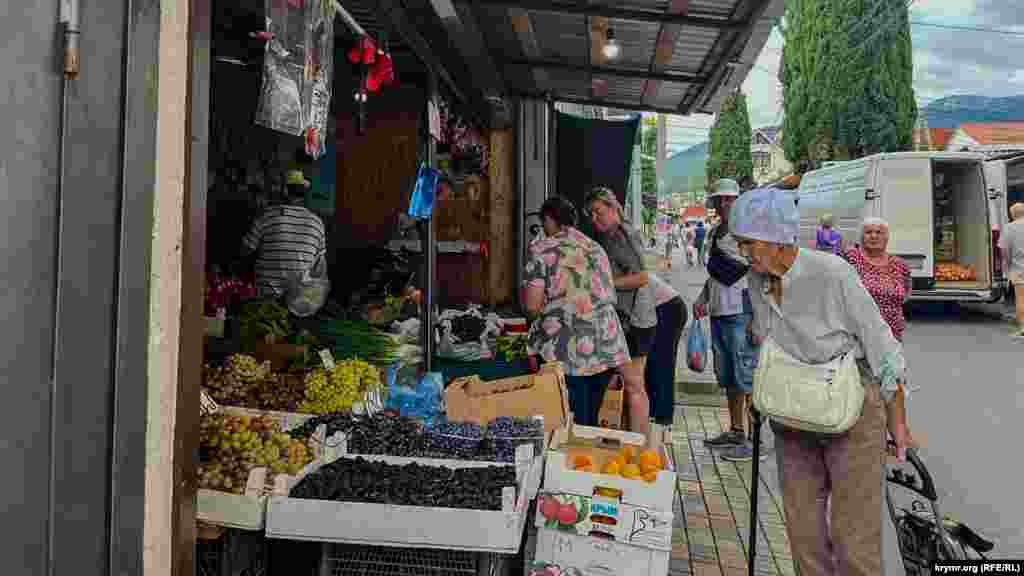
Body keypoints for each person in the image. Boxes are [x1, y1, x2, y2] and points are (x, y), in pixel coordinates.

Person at [730, 186, 914, 576]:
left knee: (854, 538)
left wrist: (897, 419)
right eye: (740, 244)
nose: (744, 253)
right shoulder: (756, 281)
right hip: (792, 412)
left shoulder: (831, 273)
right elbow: (768, 342)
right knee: (803, 535)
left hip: (851, 411)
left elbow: (883, 348)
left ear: (779, 239)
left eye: (749, 243)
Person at [521, 196, 632, 426]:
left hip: (568, 348)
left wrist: (536, 320)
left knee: (567, 419)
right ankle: (586, 457)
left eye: (544, 224)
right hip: (606, 344)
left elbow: (532, 305)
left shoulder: (543, 249)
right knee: (588, 418)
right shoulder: (594, 247)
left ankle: (570, 458)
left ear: (549, 220)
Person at [695, 178, 762, 461]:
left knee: (746, 377)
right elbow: (715, 277)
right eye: (720, 199)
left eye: (730, 199)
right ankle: (736, 431)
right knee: (729, 378)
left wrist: (758, 319)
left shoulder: (749, 232)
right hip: (720, 311)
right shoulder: (714, 232)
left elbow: (761, 274)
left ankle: (752, 441)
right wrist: (702, 297)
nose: (725, 203)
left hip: (742, 312)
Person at [586, 186, 653, 439]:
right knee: (628, 384)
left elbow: (642, 277)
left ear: (614, 209)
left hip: (636, 320)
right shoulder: (608, 236)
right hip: (622, 319)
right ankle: (631, 437)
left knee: (635, 385)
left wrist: (606, 284)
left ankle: (639, 442)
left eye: (598, 212)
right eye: (590, 214)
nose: (594, 219)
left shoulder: (623, 235)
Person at [241, 168, 327, 299]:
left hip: (266, 297)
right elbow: (319, 266)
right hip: (300, 300)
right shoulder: (317, 222)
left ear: (284, 191)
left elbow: (245, 250)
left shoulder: (267, 216)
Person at [843, 218, 912, 341]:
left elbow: (906, 293)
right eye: (868, 232)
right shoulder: (850, 257)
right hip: (857, 335)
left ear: (887, 237)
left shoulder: (900, 264)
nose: (873, 236)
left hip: (892, 334)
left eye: (879, 232)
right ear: (861, 237)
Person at [645, 273, 687, 439]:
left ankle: (662, 424)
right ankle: (655, 420)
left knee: (660, 366)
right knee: (653, 366)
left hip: (668, 309)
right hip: (662, 307)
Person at [999, 202, 1024, 338]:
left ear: (1012, 215)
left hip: (1019, 267)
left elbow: (1004, 250)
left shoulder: (1009, 228)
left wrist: (1007, 266)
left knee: (1021, 299)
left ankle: (1023, 329)